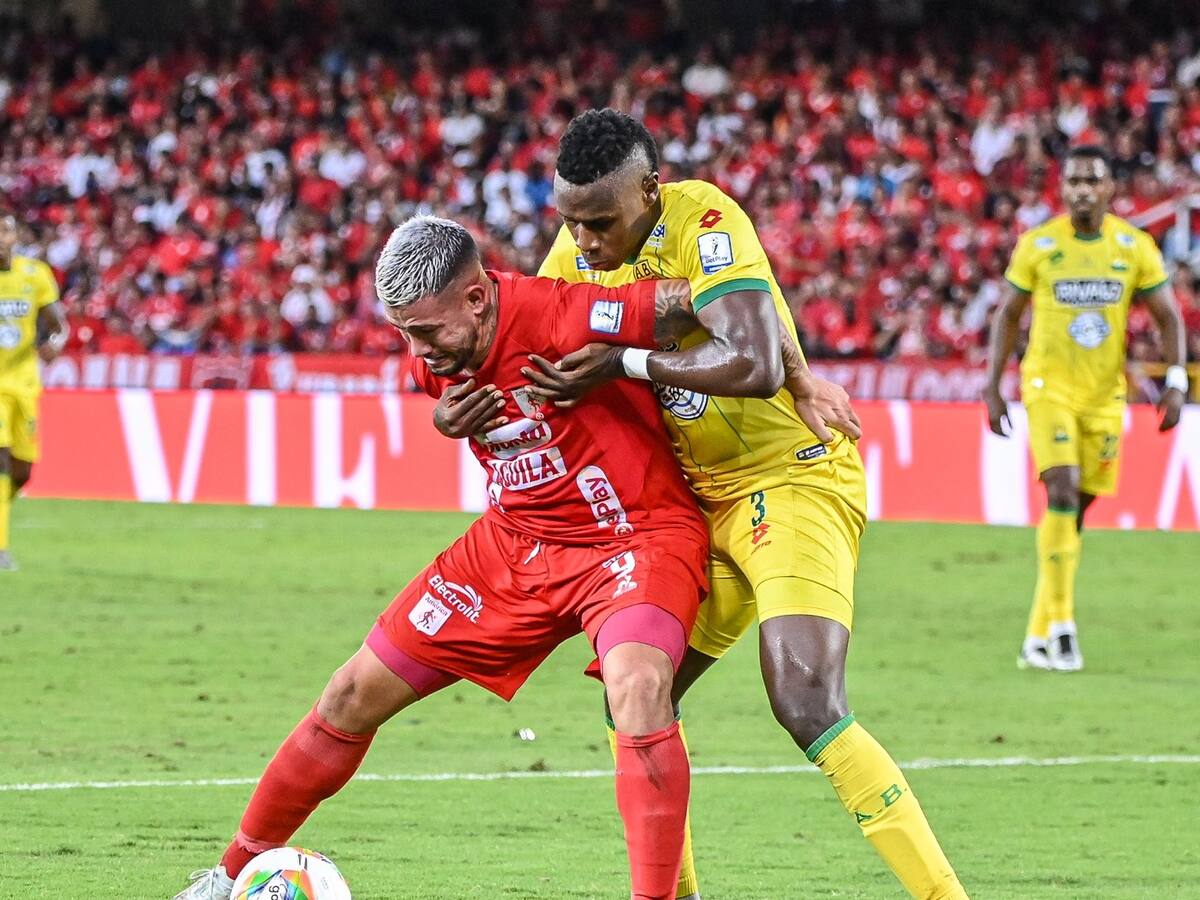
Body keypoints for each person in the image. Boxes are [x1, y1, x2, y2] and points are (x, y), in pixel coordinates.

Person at [175, 216, 712, 900]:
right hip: (513, 543)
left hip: (632, 535)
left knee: (637, 686)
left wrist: (627, 359)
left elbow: (701, 299)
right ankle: (226, 878)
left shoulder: (563, 314)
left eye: (426, 332)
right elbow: (438, 377)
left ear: (478, 298)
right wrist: (441, 418)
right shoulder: (439, 353)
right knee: (347, 694)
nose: (416, 351)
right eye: (404, 332)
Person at [525, 109, 966, 900]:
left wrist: (629, 361)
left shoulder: (706, 218)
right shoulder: (572, 257)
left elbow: (755, 357)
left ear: (651, 191)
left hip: (790, 478)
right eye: (570, 221)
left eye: (601, 221)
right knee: (637, 692)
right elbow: (531, 351)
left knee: (802, 697)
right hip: (697, 506)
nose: (585, 241)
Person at [984, 145, 1186, 673]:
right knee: (1064, 489)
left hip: (1103, 397)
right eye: (1072, 181)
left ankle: (1037, 632)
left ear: (1108, 189)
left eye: (1091, 181)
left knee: (1075, 512)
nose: (1081, 190)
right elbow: (1008, 316)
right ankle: (1065, 627)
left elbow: (1168, 317)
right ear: (1062, 188)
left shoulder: (1133, 247)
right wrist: (992, 386)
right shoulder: (1040, 244)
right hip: (1048, 388)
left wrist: (1177, 380)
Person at [0, 214, 68, 572]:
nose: (0, 237)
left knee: (23, 471)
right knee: (0, 460)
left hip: (24, 384)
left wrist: (56, 342)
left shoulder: (34, 275)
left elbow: (59, 324)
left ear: (16, 235)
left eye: (6, 230)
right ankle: (0, 547)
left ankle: (3, 507)